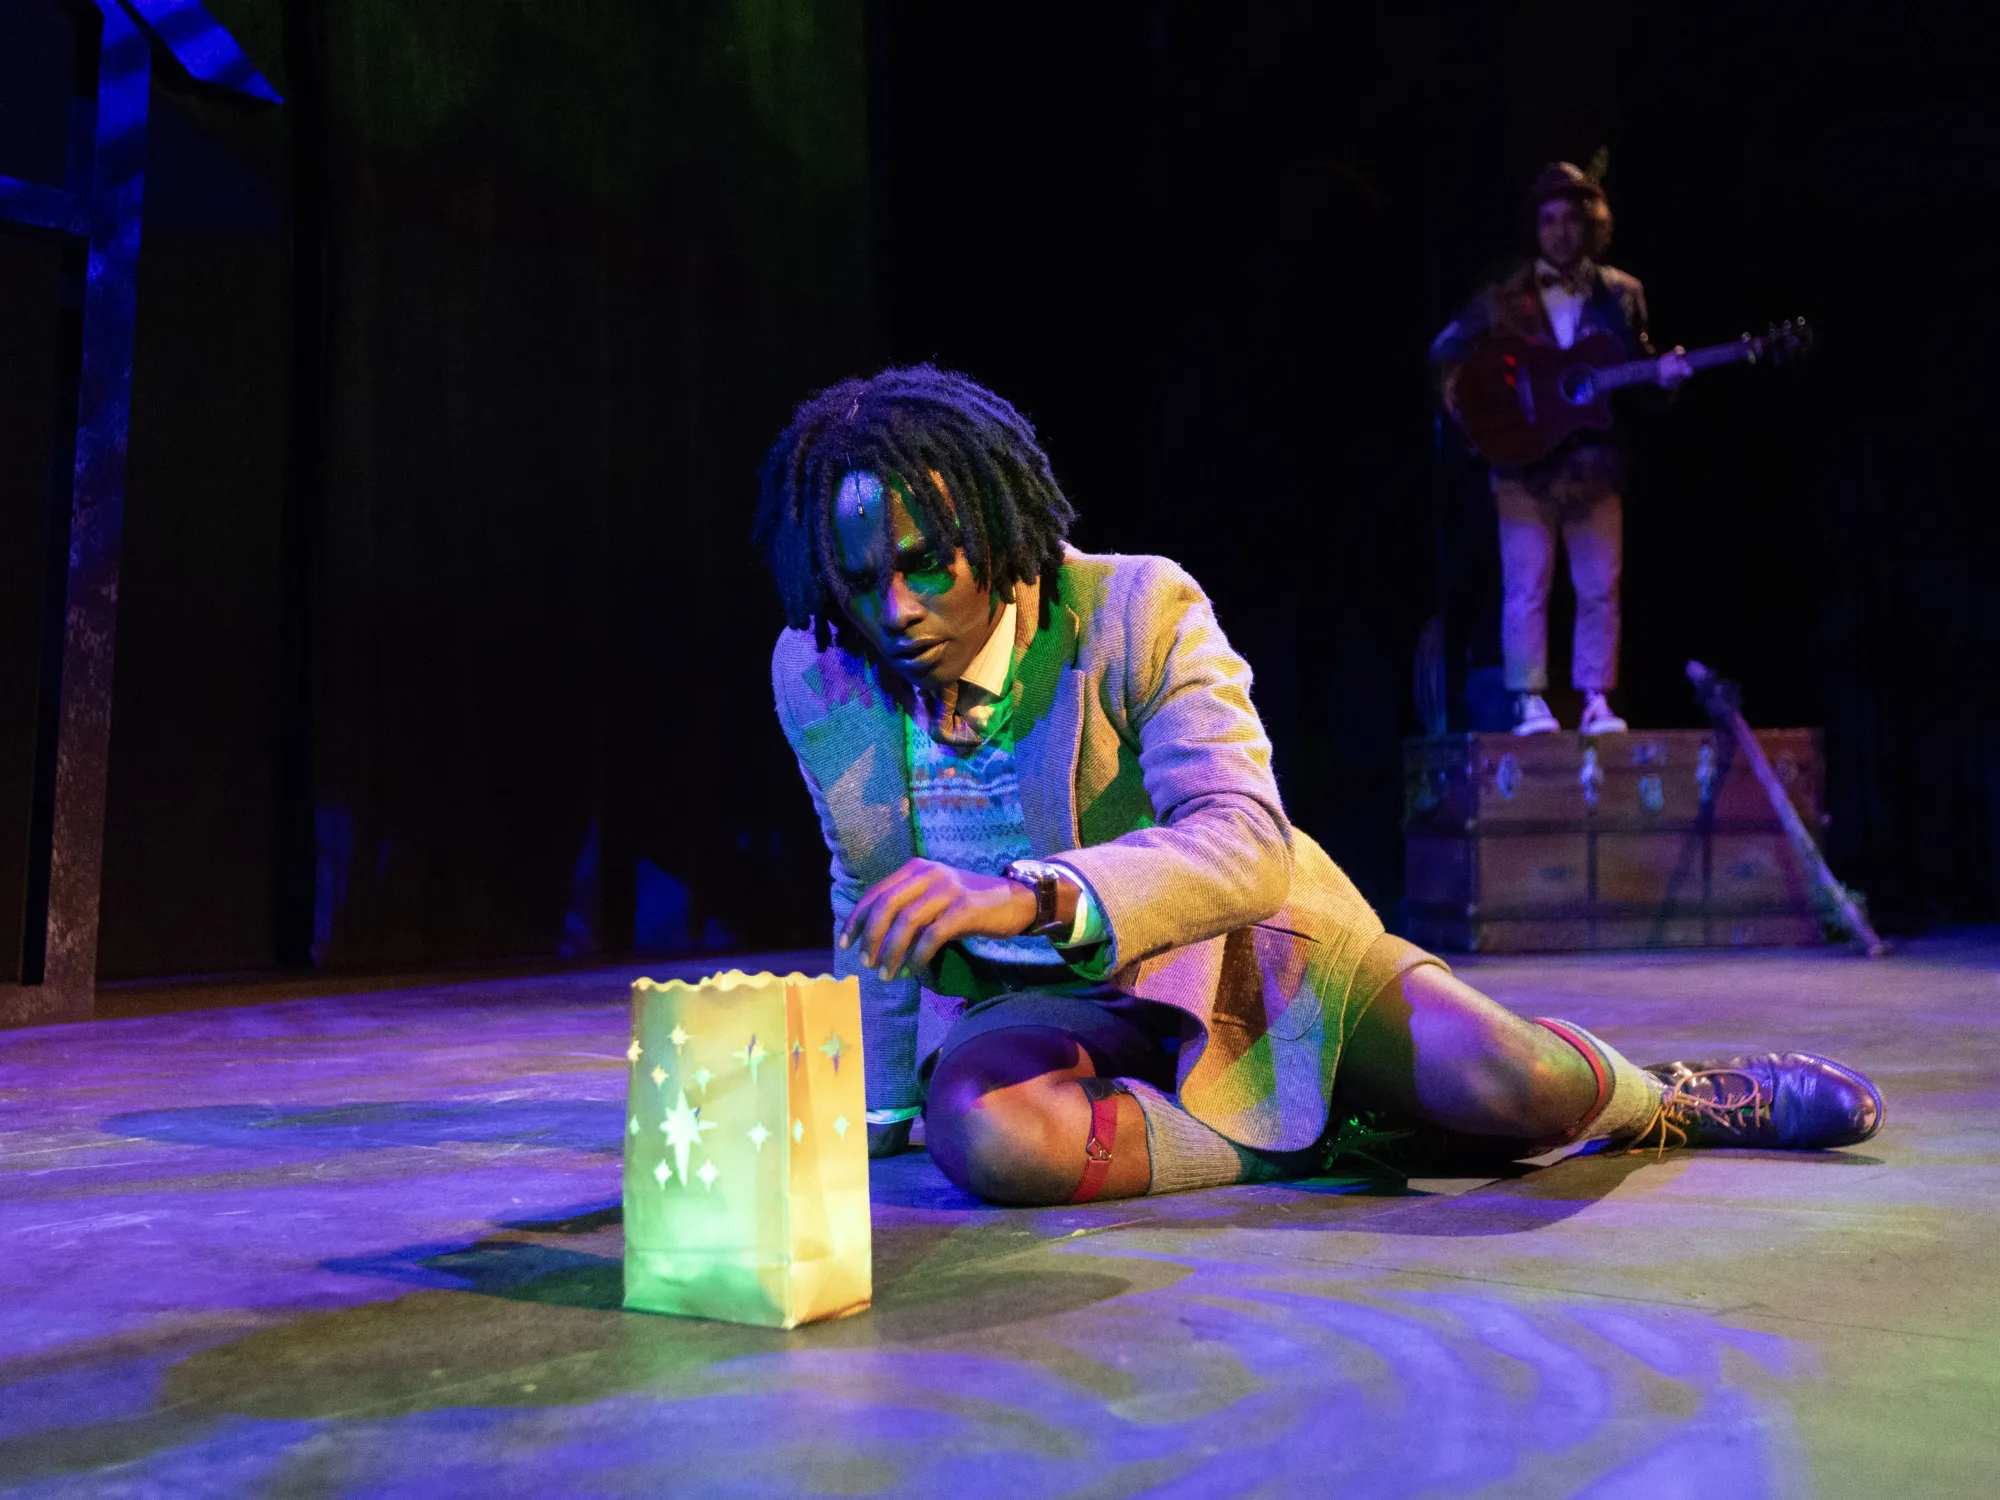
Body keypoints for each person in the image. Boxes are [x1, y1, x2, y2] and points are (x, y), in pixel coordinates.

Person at [754, 364, 1880, 1206]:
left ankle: (1670, 1099)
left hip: (1249, 956)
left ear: (991, 534)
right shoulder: (821, 672)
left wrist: (1030, 893)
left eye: (924, 565)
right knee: (988, 1139)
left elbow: (1246, 840)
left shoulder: (1136, 609)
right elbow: (869, 895)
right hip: (1030, 1008)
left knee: (1514, 1085)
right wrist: (887, 1101)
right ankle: (1331, 1137)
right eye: (860, 582)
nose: (894, 611)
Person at [1430, 161, 1691, 737]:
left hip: (1594, 461)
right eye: (1549, 222)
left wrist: (1662, 381)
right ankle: (1530, 701)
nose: (1561, 233)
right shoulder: (1504, 295)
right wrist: (1462, 398)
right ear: (1536, 228)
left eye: (1572, 221)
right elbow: (1446, 349)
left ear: (1591, 225)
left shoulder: (1622, 294)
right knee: (1527, 584)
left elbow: (1635, 383)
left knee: (1601, 582)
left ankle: (1597, 698)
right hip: (1522, 461)